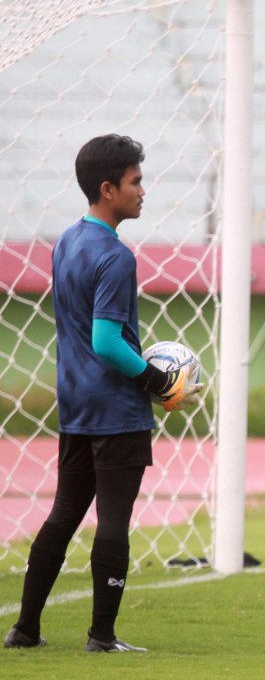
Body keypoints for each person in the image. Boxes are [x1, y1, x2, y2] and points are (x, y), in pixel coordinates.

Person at [4, 134, 198, 653]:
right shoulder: (116, 257)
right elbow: (107, 341)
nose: (143, 191)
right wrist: (157, 381)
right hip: (115, 411)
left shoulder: (66, 242)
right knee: (113, 521)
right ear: (108, 189)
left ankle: (25, 628)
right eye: (135, 182)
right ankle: (102, 636)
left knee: (64, 511)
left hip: (75, 405)